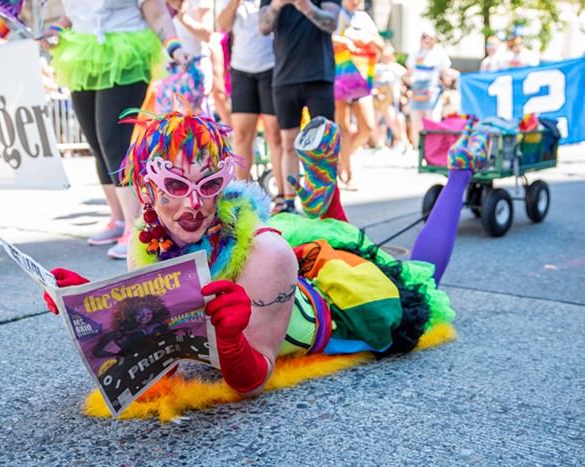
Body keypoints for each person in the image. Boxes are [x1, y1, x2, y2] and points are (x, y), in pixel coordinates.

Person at [42, 108, 486, 398]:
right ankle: (320, 183)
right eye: (175, 187)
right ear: (144, 189)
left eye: (209, 186)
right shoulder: (148, 237)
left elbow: (255, 379)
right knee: (335, 232)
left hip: (332, 304)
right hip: (294, 269)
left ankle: (461, 171)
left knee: (416, 275)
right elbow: (162, 360)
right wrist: (96, 308)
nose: (194, 205)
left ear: (223, 185)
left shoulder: (264, 255)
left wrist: (233, 338)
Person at [41, 0, 188, 260]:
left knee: (114, 142)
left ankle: (137, 229)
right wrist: (56, 29)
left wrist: (175, 48)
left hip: (126, 54)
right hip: (82, 55)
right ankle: (118, 220)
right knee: (96, 142)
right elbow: (71, 16)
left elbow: (157, 15)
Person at [259, 0, 341, 214]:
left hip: (319, 77)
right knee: (288, 142)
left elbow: (331, 23)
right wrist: (278, 4)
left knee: (324, 145)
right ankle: (288, 201)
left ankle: (327, 201)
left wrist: (305, 6)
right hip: (285, 78)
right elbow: (263, 27)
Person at [218, 0, 284, 212]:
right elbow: (223, 25)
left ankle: (282, 196)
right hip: (241, 71)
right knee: (241, 135)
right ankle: (242, 196)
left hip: (272, 68)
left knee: (274, 135)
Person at [332, 0, 384, 189]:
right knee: (343, 128)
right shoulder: (335, 12)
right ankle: (348, 174)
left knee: (368, 127)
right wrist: (347, 40)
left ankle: (341, 159)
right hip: (339, 75)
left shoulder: (363, 18)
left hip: (361, 78)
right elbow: (325, 36)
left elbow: (381, 43)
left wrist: (369, 38)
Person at [405, 29, 452, 148]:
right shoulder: (415, 53)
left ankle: (432, 147)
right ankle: (417, 147)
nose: (427, 40)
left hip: (432, 88)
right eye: (424, 37)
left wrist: (452, 81)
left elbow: (445, 72)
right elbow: (409, 73)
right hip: (417, 88)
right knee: (415, 120)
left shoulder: (439, 52)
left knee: (431, 119)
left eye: (430, 37)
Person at [371, 42, 410, 152]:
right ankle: (379, 144)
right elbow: (371, 82)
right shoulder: (376, 67)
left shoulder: (395, 67)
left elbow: (408, 77)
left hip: (390, 100)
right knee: (373, 121)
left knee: (392, 121)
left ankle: (404, 142)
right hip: (377, 99)